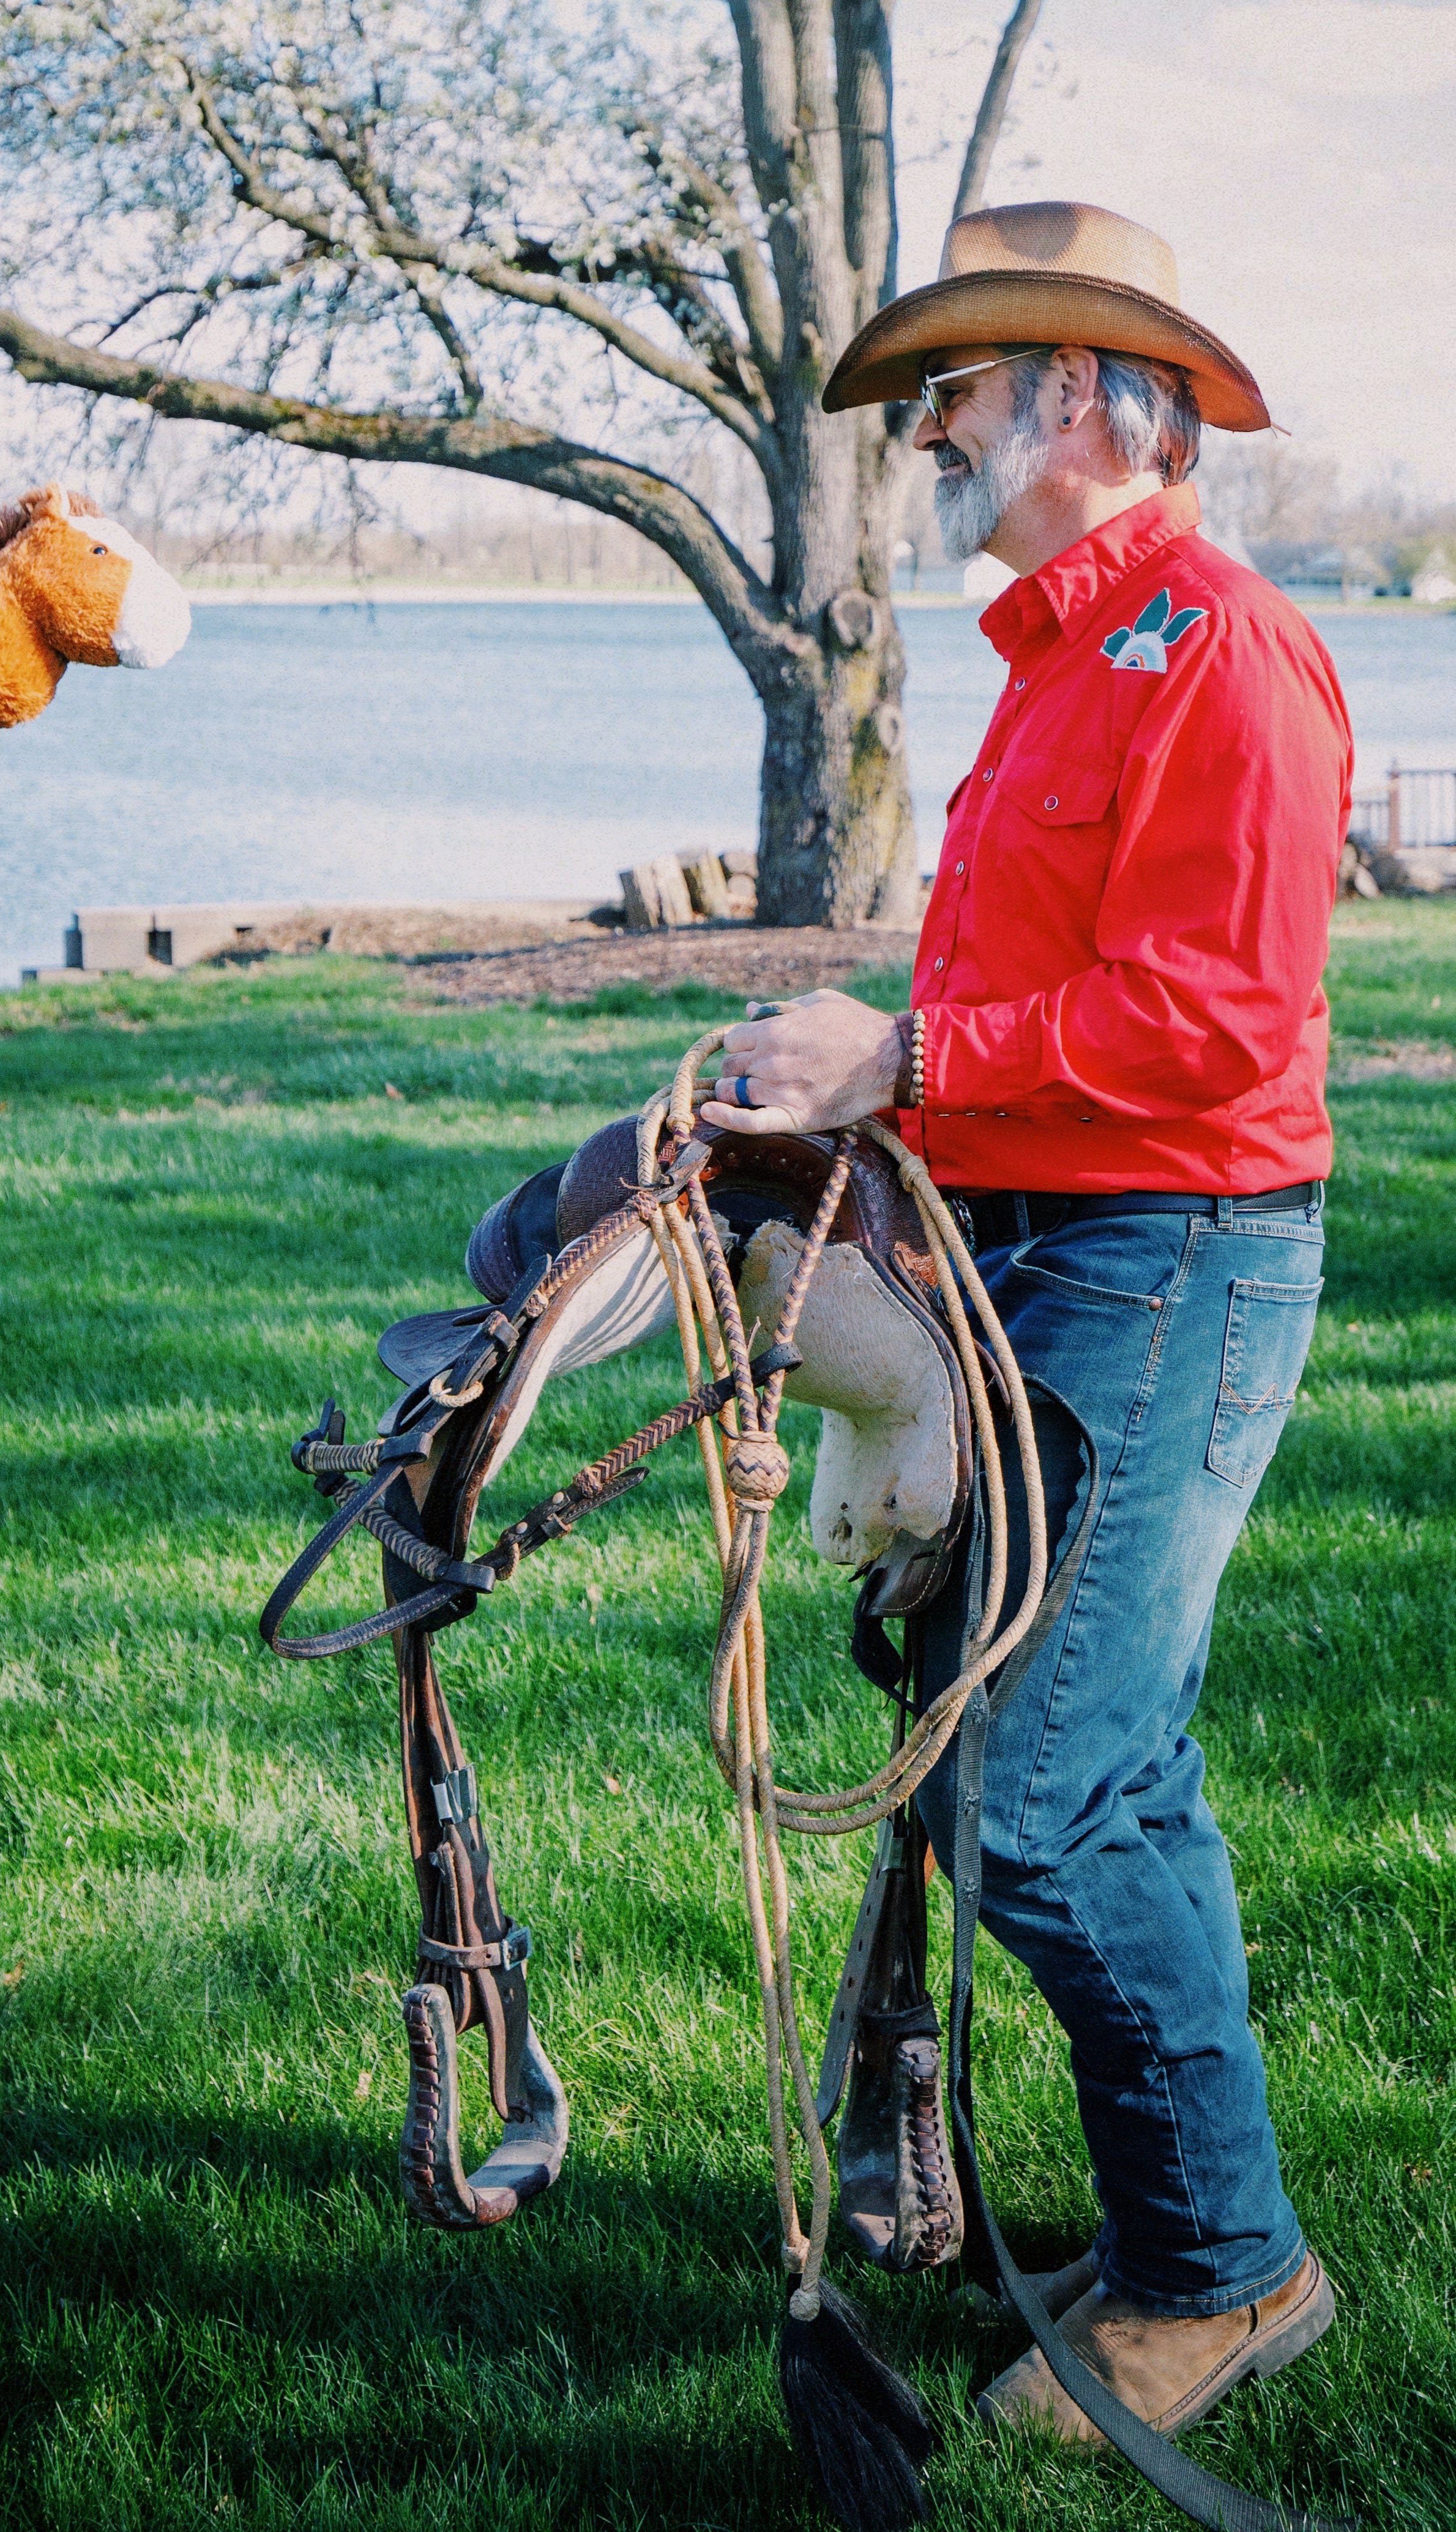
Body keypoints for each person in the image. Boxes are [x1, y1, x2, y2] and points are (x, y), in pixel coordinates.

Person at [699, 203, 1351, 2443]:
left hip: (1174, 1262)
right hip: (1082, 1258)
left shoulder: (1222, 652)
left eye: (959, 395)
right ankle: (1208, 2231)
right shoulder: (1068, 662)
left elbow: (1214, 1014)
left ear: (1077, 394)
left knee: (1037, 1793)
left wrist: (904, 1062)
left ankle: (1227, 2269)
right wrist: (881, 1082)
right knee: (1107, 1762)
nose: (931, 435)